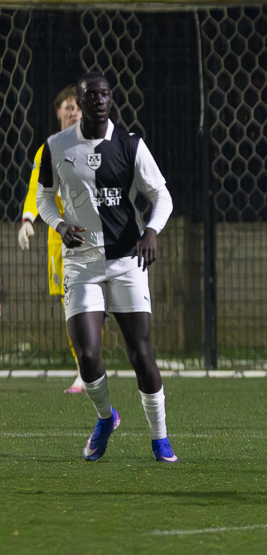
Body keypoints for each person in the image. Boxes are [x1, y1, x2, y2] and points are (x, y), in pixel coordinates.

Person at [36, 70, 178, 463]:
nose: (100, 100)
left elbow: (161, 194)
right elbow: (44, 197)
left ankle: (160, 438)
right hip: (81, 262)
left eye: (105, 95)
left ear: (111, 99)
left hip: (127, 260)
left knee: (141, 354)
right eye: (91, 96)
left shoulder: (131, 145)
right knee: (88, 355)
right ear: (78, 103)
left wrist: (151, 231)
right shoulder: (56, 146)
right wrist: (59, 223)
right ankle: (105, 417)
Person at [19, 85, 86, 393]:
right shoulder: (47, 150)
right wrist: (28, 219)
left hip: (91, 235)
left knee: (92, 300)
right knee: (69, 303)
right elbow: (37, 188)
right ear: (58, 112)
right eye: (67, 107)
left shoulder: (93, 146)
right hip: (59, 239)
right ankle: (83, 369)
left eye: (77, 107)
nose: (73, 111)